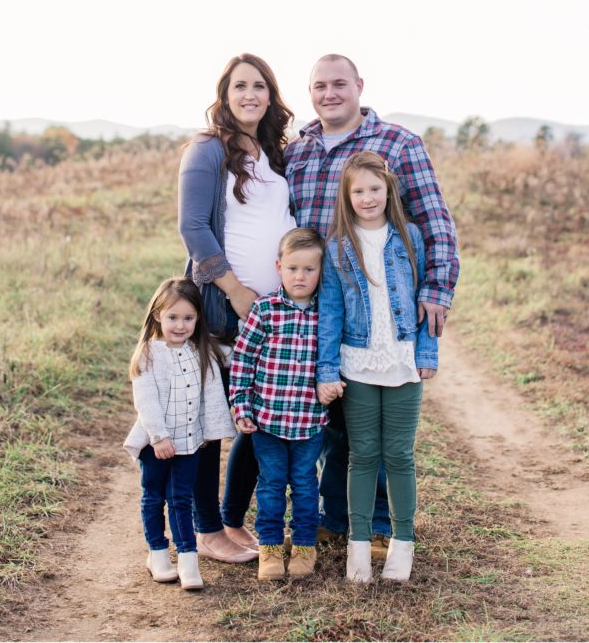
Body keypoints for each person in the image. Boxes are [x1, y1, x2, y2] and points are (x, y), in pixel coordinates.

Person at [284, 54, 459, 554]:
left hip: (373, 305)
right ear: (310, 92)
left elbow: (434, 220)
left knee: (376, 418)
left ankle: (380, 524)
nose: (329, 93)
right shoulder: (299, 151)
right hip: (311, 303)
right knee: (332, 418)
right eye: (319, 86)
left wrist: (436, 289)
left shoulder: (397, 144)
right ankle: (337, 517)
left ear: (359, 85)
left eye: (340, 84)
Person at [178, 53, 296, 562]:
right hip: (226, 307)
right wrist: (235, 290)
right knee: (211, 421)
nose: (250, 94)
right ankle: (206, 531)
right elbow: (193, 227)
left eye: (259, 86)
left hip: (272, 311)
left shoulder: (272, 153)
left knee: (258, 415)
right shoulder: (207, 149)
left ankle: (229, 518)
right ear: (225, 95)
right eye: (239, 86)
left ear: (271, 95)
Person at [316, 152, 437, 583]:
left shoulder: (411, 238)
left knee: (399, 455)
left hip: (402, 361)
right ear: (347, 197)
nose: (367, 198)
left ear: (388, 191)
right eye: (358, 191)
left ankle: (403, 543)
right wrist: (326, 369)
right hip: (358, 364)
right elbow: (329, 310)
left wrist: (427, 353)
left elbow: (427, 297)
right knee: (362, 455)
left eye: (375, 189)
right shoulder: (337, 246)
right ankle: (360, 546)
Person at [123, 277, 235, 590]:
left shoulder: (203, 352)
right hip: (155, 444)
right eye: (173, 317)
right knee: (154, 496)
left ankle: (188, 559)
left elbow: (221, 380)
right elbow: (145, 399)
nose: (180, 325)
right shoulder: (149, 353)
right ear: (158, 315)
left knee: (181, 499)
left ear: (198, 319)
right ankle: (157, 552)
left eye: (188, 318)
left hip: (190, 443)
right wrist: (158, 437)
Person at [229, 227, 328, 581]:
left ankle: (303, 544)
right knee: (271, 484)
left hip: (309, 421)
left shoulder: (325, 314)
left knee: (304, 483)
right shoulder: (265, 310)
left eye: (309, 270)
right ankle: (270, 546)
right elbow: (243, 360)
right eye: (293, 269)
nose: (300, 277)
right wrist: (241, 406)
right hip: (267, 420)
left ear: (321, 271)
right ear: (279, 267)